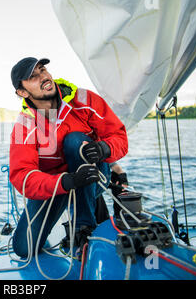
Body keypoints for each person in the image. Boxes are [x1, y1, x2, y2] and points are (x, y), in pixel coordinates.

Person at [9, 57, 128, 258]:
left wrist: (104, 149)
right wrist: (66, 181)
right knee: (23, 248)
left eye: (42, 69)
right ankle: (84, 203)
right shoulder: (24, 126)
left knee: (75, 141)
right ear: (22, 92)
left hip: (95, 176)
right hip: (59, 185)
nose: (43, 76)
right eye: (33, 76)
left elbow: (119, 136)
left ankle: (83, 229)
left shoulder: (84, 100)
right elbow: (23, 177)